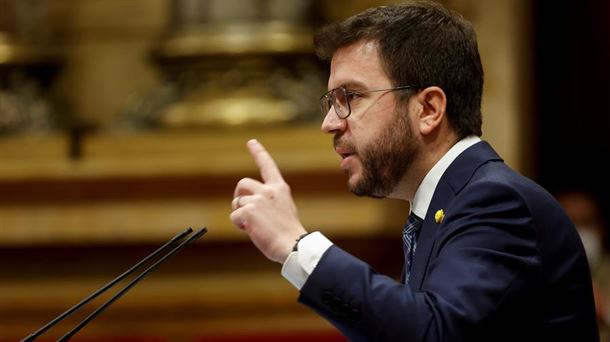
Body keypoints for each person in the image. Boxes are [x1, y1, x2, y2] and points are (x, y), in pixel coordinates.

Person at [229, 1, 599, 341]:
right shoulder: (444, 206)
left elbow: (432, 332)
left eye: (351, 97)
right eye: (331, 102)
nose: (329, 123)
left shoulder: (494, 201)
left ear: (428, 109)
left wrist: (297, 245)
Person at [556, 189, 610, 341]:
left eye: (585, 222)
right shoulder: (545, 274)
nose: (580, 232)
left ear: (601, 228)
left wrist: (605, 310)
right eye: (571, 223)